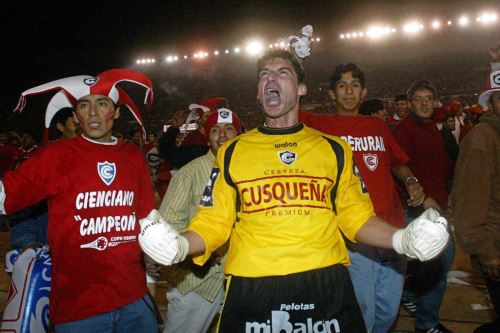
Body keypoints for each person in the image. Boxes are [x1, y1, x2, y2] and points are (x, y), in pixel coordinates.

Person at [139, 45, 449, 332]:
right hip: (252, 285)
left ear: (300, 88)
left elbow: (356, 219)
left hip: (326, 282)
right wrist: (179, 245)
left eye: (282, 72)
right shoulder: (232, 151)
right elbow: (213, 223)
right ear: (259, 94)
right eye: (264, 75)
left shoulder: (335, 149)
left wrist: (402, 239)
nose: (270, 79)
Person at [0, 69, 158, 333]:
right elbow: (9, 194)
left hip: (134, 300)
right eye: (84, 105)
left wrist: (150, 277)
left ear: (117, 112)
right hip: (79, 308)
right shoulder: (56, 155)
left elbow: (147, 221)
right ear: (75, 115)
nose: (93, 113)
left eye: (102, 104)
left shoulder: (133, 155)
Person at [300, 62, 437, 333]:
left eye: (355, 86)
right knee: (363, 311)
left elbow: (397, 162)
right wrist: (299, 60)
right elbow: (290, 104)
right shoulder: (319, 126)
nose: (348, 92)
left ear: (364, 92)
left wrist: (411, 181)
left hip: (393, 228)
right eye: (342, 86)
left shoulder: (378, 125)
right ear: (331, 94)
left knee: (388, 310)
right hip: (356, 236)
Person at [159, 108, 241, 333]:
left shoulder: (250, 172)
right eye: (215, 129)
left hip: (239, 283)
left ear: (240, 134)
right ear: (208, 136)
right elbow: (166, 227)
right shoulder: (190, 172)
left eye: (229, 128)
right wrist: (195, 252)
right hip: (198, 286)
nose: (222, 135)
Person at [393, 80, 456, 333]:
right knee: (441, 260)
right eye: (418, 98)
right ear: (409, 103)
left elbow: (438, 167)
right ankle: (427, 324)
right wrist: (420, 191)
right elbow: (397, 165)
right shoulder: (404, 130)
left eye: (428, 98)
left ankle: (409, 293)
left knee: (432, 263)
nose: (424, 103)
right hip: (416, 209)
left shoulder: (432, 128)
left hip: (435, 207)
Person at [452, 55, 500, 333]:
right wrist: (487, 252)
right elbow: (469, 201)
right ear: (491, 104)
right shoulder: (482, 140)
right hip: (495, 245)